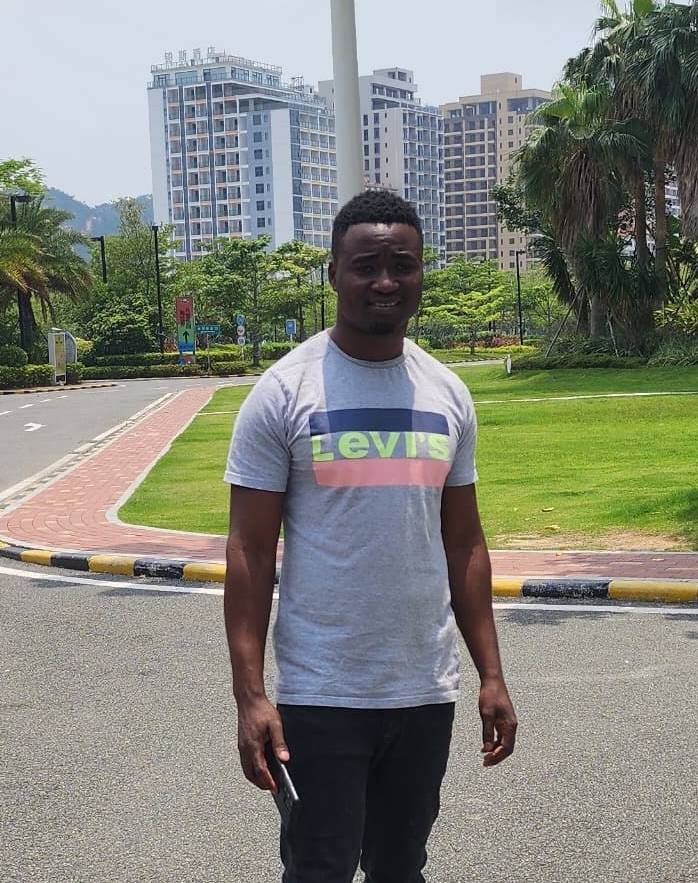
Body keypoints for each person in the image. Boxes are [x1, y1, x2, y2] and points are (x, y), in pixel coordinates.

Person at [223, 189, 517, 883]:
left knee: (400, 867)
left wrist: (491, 674)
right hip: (321, 693)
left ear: (420, 274)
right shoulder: (285, 391)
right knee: (318, 868)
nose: (385, 281)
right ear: (333, 274)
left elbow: (465, 544)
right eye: (365, 266)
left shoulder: (446, 392)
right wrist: (251, 695)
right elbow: (249, 552)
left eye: (402, 265)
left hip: (423, 687)